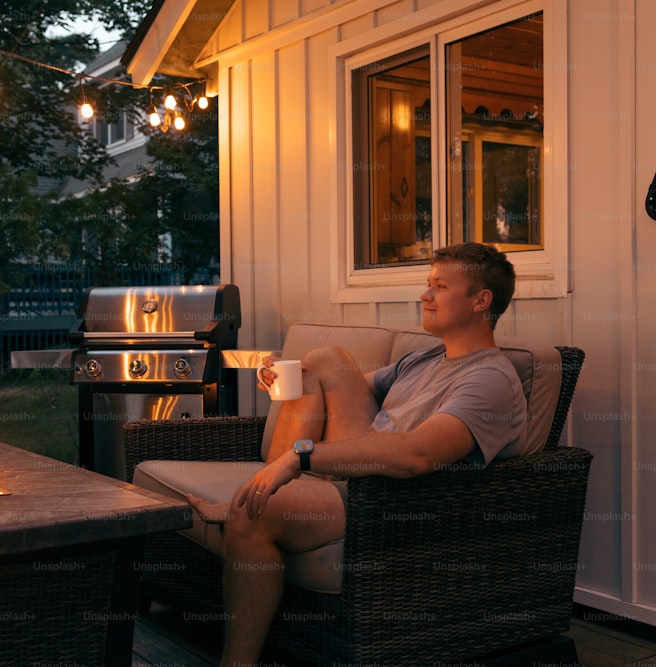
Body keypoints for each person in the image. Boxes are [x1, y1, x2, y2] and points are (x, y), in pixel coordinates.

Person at [186, 241, 528, 667]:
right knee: (323, 362)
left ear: (481, 301)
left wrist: (302, 456)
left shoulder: (489, 380)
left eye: (439, 287)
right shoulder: (425, 359)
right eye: (428, 285)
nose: (424, 296)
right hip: (358, 478)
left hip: (388, 497)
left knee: (252, 512)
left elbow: (416, 454)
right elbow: (346, 388)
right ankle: (267, 483)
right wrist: (287, 383)